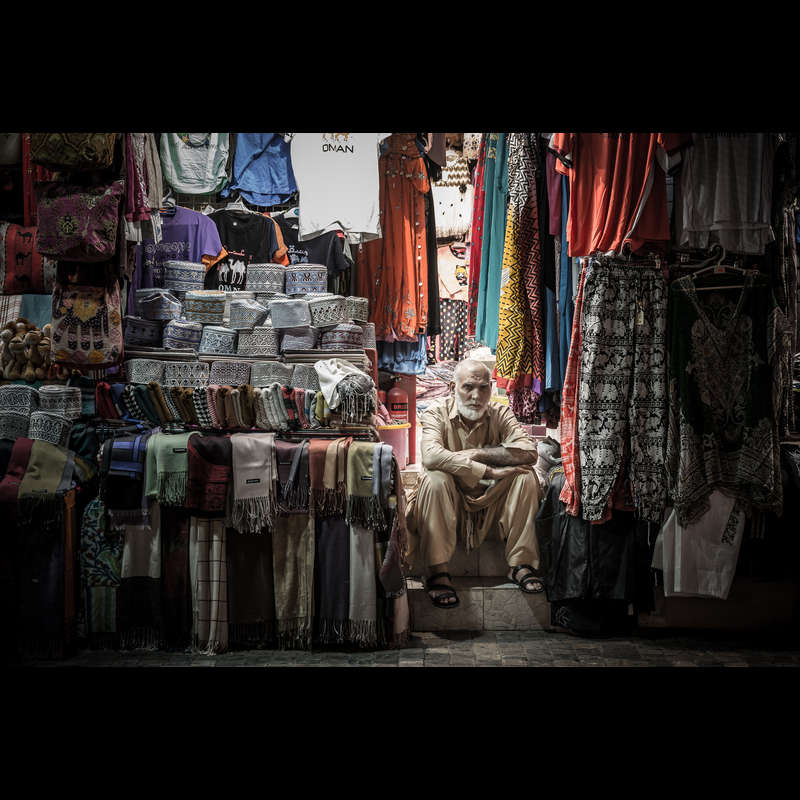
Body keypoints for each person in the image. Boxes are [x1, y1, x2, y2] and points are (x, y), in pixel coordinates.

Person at [405, 358, 543, 608]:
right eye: (468, 387)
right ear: (452, 388)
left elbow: (528, 453)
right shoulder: (436, 412)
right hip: (450, 501)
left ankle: (521, 564)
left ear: (491, 388)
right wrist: (486, 470)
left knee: (525, 476)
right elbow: (431, 456)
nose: (476, 396)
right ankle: (438, 570)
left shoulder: (500, 413)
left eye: (483, 388)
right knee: (435, 480)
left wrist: (476, 454)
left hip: (491, 504)